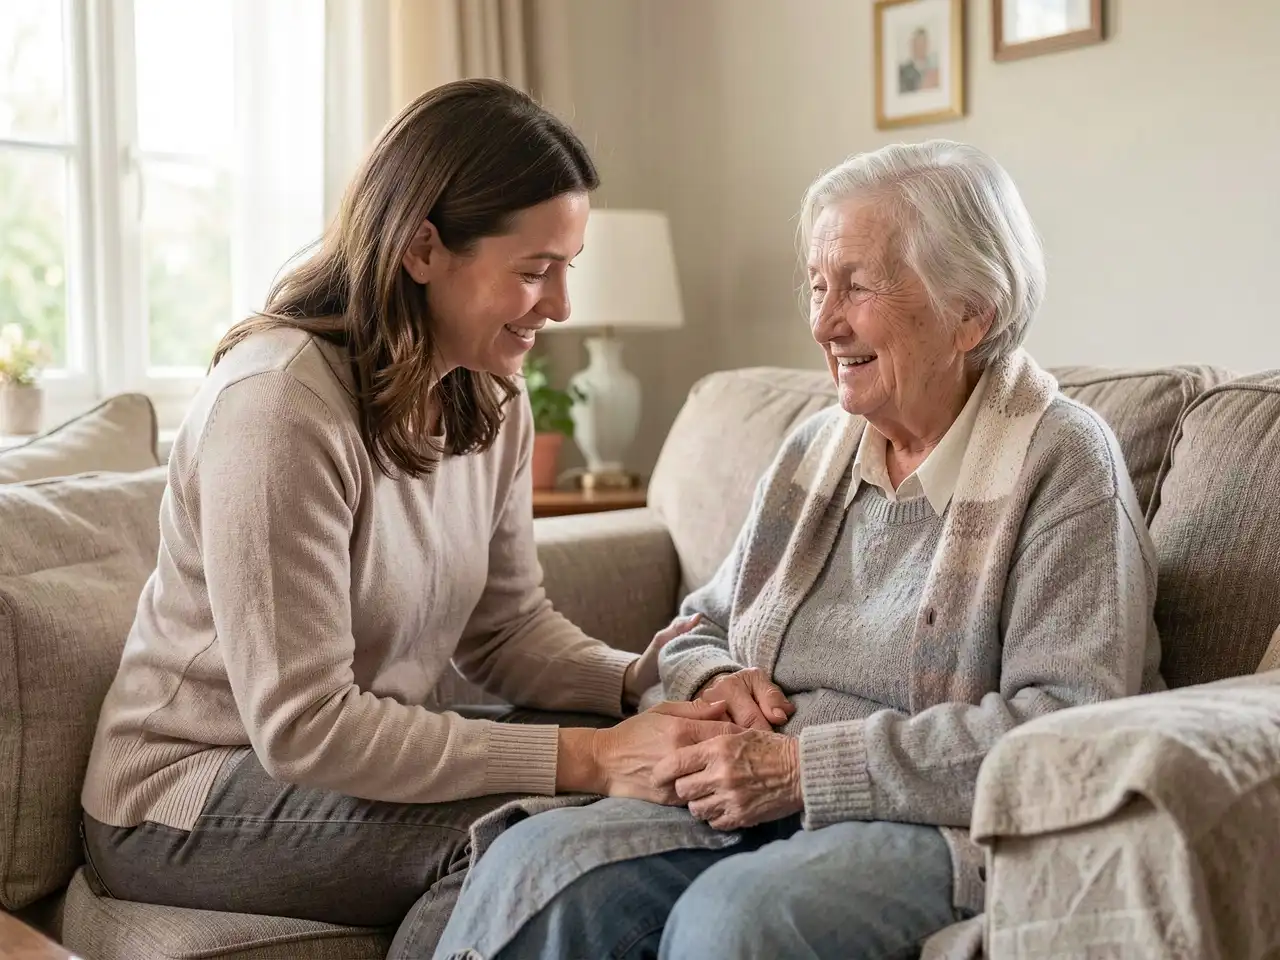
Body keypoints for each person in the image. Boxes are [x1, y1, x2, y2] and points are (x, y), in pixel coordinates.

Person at [434, 140, 1165, 960]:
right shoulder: (816, 451)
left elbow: (1071, 725)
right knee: (538, 863)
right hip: (749, 790)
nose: (823, 322)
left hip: (937, 819)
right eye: (818, 286)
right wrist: (716, 677)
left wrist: (802, 770)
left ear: (972, 312)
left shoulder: (1062, 462)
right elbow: (699, 628)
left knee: (738, 920)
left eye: (857, 286)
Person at [77, 78, 738, 959]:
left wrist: (638, 681)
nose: (562, 307)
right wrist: (589, 756)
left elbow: (506, 631)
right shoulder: (280, 407)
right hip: (187, 797)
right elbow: (304, 725)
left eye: (567, 268)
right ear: (423, 249)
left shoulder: (492, 395)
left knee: (652, 795)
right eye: (536, 271)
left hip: (339, 765)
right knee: (524, 833)